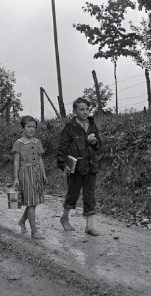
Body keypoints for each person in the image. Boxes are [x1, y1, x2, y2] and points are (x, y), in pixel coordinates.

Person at [57, 97, 101, 236]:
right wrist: (63, 164)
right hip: (75, 167)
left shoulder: (92, 125)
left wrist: (94, 142)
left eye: (87, 109)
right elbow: (62, 147)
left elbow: (99, 146)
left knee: (90, 196)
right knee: (73, 194)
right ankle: (64, 218)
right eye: (81, 109)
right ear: (75, 111)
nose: (85, 112)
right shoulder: (70, 127)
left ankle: (89, 226)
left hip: (91, 166)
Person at [12, 116, 47, 239]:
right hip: (25, 173)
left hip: (37, 173)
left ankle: (22, 221)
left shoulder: (38, 142)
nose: (32, 129)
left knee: (34, 201)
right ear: (23, 128)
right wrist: (16, 178)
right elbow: (16, 161)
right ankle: (34, 231)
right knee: (31, 202)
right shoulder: (19, 143)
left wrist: (43, 173)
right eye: (29, 127)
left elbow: (40, 159)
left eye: (33, 127)